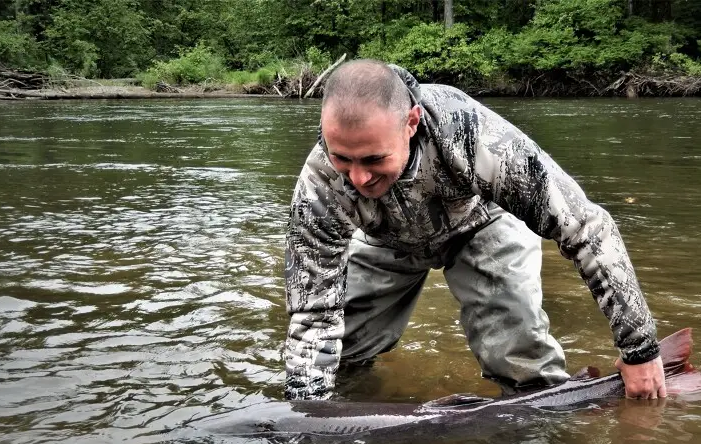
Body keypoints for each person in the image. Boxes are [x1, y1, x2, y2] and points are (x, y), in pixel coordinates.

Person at [284, 59, 666, 402]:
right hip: (387, 241)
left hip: (481, 224)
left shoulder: (472, 135)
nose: (358, 177)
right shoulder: (318, 185)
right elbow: (313, 312)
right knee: (341, 353)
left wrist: (640, 350)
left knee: (520, 360)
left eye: (373, 158)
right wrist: (307, 418)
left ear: (411, 122)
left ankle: (542, 438)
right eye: (342, 159)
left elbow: (586, 227)